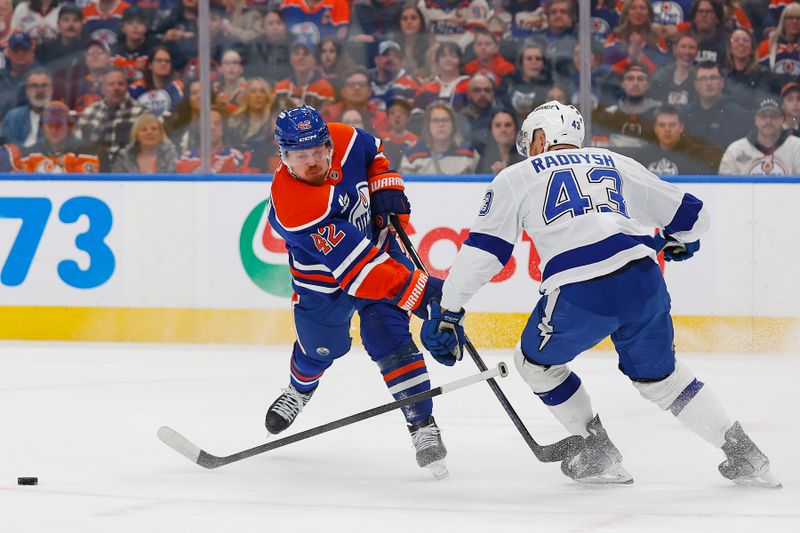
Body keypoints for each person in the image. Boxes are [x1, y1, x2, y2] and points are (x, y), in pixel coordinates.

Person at [419, 100, 781, 488]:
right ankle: (744, 453)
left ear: (542, 138)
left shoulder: (516, 176)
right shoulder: (614, 161)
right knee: (663, 380)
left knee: (534, 364)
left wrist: (448, 311)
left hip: (582, 290)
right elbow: (693, 216)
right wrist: (680, 239)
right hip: (643, 280)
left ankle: (597, 451)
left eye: (531, 139)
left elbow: (483, 255)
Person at [263, 104, 450, 479]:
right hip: (325, 281)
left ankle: (422, 424)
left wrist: (385, 186)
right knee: (320, 349)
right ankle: (300, 389)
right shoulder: (295, 206)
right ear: (283, 157)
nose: (311, 162)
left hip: (377, 249)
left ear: (328, 144)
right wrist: (425, 296)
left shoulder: (346, 138)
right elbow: (362, 271)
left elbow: (374, 152)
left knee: (388, 336)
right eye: (299, 156)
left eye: (317, 151)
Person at [73, 66, 146, 170]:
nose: (116, 88)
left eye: (120, 84)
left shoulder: (141, 113)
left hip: (128, 172)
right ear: (103, 89)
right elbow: (76, 144)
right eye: (111, 84)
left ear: (127, 86)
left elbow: (149, 150)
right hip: (92, 171)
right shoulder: (90, 111)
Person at [719, 97, 800, 175]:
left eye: (773, 116)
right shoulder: (736, 150)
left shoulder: (796, 147)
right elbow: (726, 183)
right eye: (763, 116)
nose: (768, 121)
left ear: (782, 119)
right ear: (756, 119)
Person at [15, 100, 101, 173]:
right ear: (42, 127)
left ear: (69, 126)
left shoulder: (86, 153)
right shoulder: (30, 155)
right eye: (50, 125)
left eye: (58, 125)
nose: (54, 130)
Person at [400, 102, 479, 174]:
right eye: (435, 120)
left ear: (453, 125)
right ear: (428, 125)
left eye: (445, 120)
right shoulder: (413, 153)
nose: (441, 124)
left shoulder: (468, 152)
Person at [111, 112, 179, 173]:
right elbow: (116, 180)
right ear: (136, 135)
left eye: (154, 129)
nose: (149, 132)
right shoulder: (124, 156)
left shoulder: (170, 154)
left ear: (161, 134)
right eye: (144, 129)